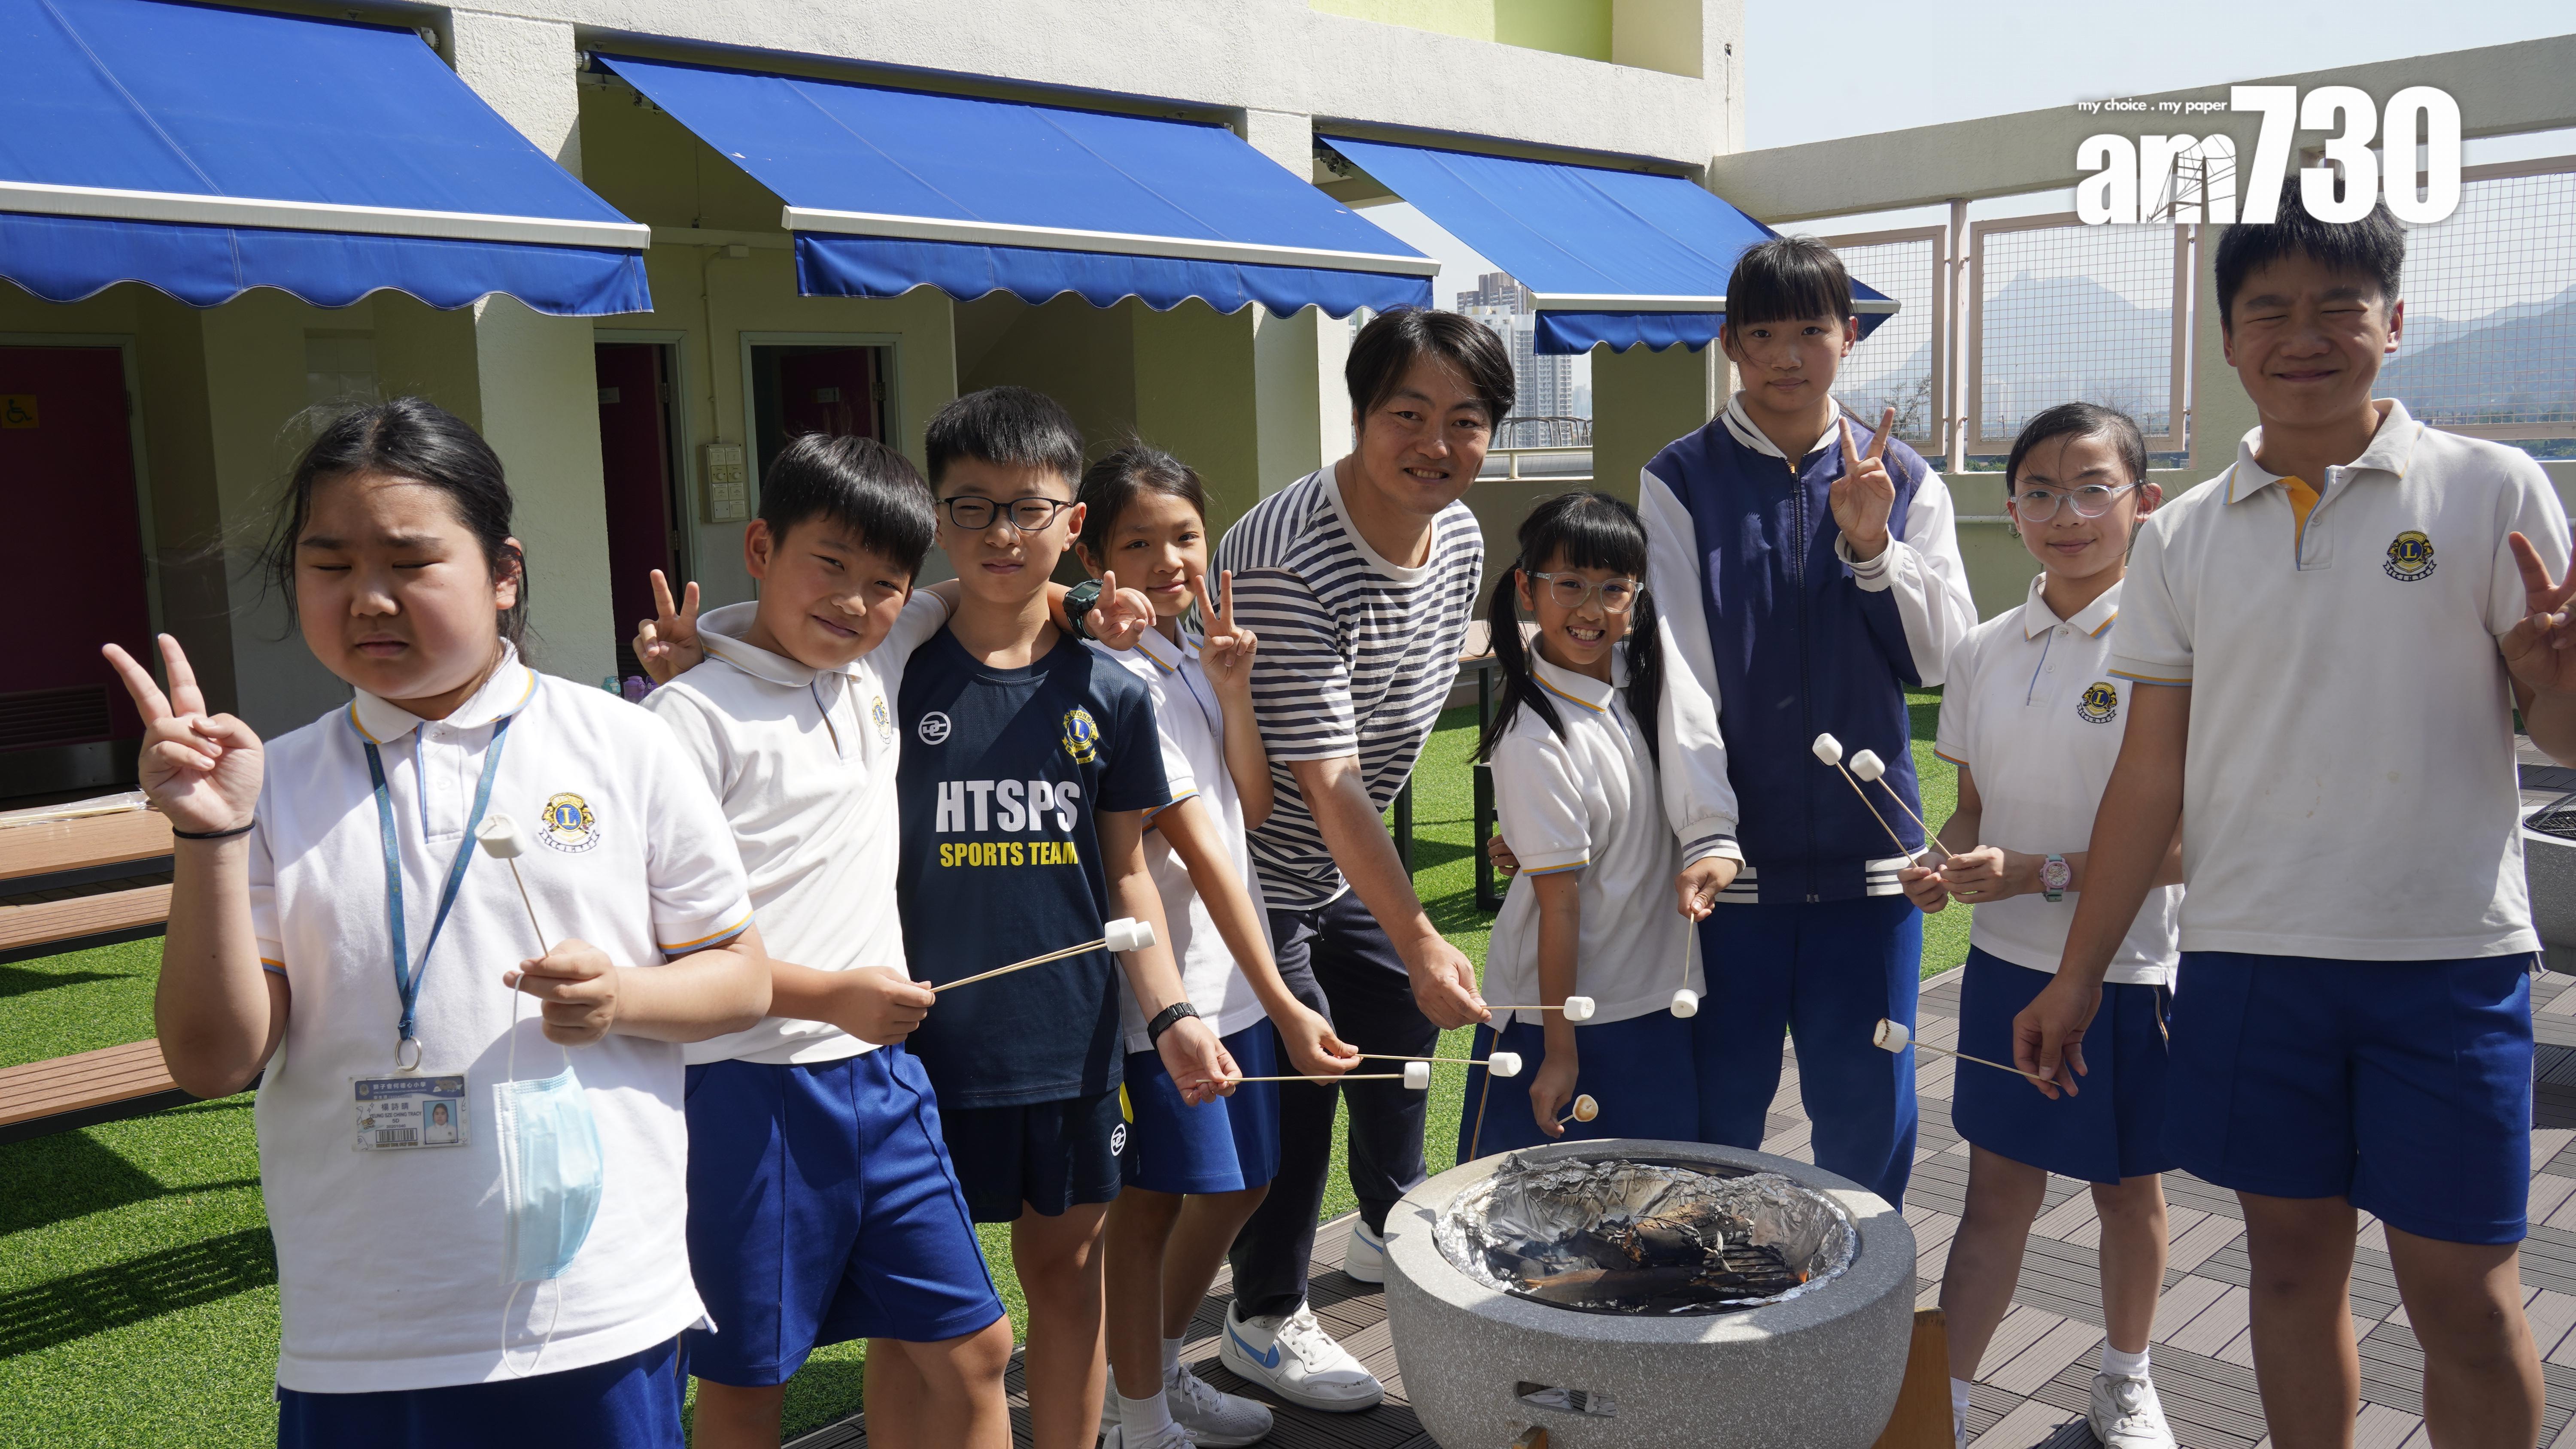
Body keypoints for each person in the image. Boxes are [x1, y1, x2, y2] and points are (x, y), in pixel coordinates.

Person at [2020, 181, 2576, 1449]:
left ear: (2395, 321)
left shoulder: (2492, 489)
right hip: (2251, 962)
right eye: (2269, 310)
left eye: (2340, 305)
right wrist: (2079, 973)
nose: (2304, 335)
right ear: (2229, 339)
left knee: (2466, 1299)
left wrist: (2556, 684)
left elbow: (2562, 734)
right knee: (2285, 1272)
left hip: (2447, 961)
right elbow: (2147, 776)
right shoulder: (2183, 538)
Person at [109, 398, 771, 1449]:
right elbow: (210, 1059)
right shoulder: (275, 782)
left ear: (503, 571)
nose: (368, 599)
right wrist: (209, 834)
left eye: (411, 562)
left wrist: (625, 995)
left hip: (591, 1309)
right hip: (361, 1326)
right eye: (330, 565)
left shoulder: (626, 746)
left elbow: (741, 976)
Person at [635, 433, 1011, 1449]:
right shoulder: (683, 719)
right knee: (748, 1379)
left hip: (884, 1080)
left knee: (976, 1348)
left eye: (883, 583)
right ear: (762, 547)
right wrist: (830, 996)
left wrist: (1087, 601)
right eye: (830, 564)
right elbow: (666, 949)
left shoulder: (872, 662)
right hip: (747, 1087)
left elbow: (971, 589)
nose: (855, 601)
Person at [896, 386, 1234, 1449]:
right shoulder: (888, 673)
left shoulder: (1114, 690)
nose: (1003, 532)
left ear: (1072, 521)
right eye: (973, 506)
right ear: (937, 517)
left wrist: (1173, 1012)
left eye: (1029, 508)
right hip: (917, 1045)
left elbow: (1127, 873)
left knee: (1066, 1272)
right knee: (924, 1315)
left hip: (1069, 1042)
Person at [1212, 308, 1510, 1411]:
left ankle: (1390, 1224)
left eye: (1465, 420)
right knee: (1306, 1074)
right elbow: (1324, 778)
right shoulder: (1289, 558)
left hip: (1339, 855)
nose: (1436, 443)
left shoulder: (1460, 533)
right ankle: (1262, 1315)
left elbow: (1392, 725)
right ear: (1359, 414)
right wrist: (1421, 929)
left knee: (1396, 1028)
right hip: (1243, 864)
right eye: (1408, 414)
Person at [1641, 235, 1977, 1208]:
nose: (1787, 356)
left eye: (1810, 332)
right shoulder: (1681, 479)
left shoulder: (1903, 476)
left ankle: (1860, 1284)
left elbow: (1943, 658)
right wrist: (1710, 829)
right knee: (1717, 1119)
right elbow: (1678, 668)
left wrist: (1873, 547)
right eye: (1762, 335)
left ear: (1849, 336)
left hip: (1873, 866)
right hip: (1732, 873)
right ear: (1730, 345)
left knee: (1868, 1114)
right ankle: (1711, 1279)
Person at [1069, 443, 1363, 1449]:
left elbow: (1254, 803)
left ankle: (1153, 1372)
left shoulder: (1188, 656)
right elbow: (1179, 848)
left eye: (1185, 536)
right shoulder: (1112, 674)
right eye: (1138, 542)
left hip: (1227, 974)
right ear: (1094, 557)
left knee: (1243, 1180)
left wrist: (1233, 689)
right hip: (1164, 992)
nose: (1168, 560)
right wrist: (1282, 997)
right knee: (1151, 1203)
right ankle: (1138, 1415)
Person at [1905, 403, 2179, 1449]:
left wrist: (2039, 871)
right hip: (2004, 966)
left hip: (2130, 966)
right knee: (1995, 1194)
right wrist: (1941, 859)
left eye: (2094, 488)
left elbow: (2190, 846)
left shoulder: (2176, 644)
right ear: (2011, 509)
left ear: (2143, 503)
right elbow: (1972, 810)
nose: (2067, 515)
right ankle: (1949, 1405)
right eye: (2040, 492)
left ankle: (2127, 1379)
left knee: (2126, 1189)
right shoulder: (1981, 649)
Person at [1458, 491, 1727, 1158]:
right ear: (1527, 589)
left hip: (1650, 1001)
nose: (1589, 609)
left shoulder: (1643, 689)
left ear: (1636, 599)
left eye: (1613, 588)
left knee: (1656, 1205)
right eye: (1570, 584)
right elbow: (1560, 906)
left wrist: (1527, 845)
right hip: (1561, 1021)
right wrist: (1560, 1052)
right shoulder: (1534, 737)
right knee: (1530, 1212)